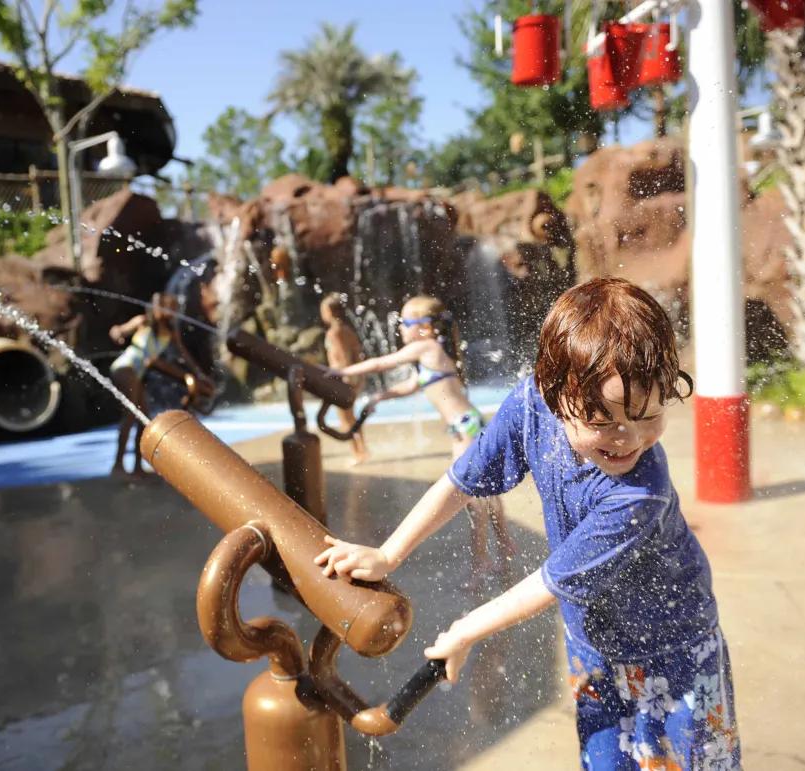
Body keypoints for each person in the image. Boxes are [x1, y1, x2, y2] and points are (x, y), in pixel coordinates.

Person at [316, 278, 740, 770]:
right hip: (593, 642)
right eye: (603, 423)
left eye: (649, 416)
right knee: (605, 762)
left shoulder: (639, 495)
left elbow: (550, 582)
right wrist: (388, 553)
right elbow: (462, 479)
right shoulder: (530, 403)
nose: (630, 439)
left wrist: (465, 630)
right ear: (556, 392)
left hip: (676, 648)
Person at [329, 294, 516, 569]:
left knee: (470, 495)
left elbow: (382, 364)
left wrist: (339, 372)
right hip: (466, 424)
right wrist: (378, 398)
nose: (400, 328)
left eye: (405, 322)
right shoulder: (431, 355)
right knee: (484, 491)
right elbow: (408, 386)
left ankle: (481, 562)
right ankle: (504, 544)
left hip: (466, 427)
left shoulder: (426, 347)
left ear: (426, 328)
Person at [108, 292, 212, 477]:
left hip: (137, 374)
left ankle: (138, 467)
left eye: (173, 307)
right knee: (131, 415)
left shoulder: (170, 332)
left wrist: (199, 374)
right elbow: (118, 330)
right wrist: (118, 334)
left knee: (143, 419)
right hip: (125, 368)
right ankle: (118, 466)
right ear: (157, 306)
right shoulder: (142, 322)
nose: (171, 311)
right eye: (167, 306)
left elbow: (185, 355)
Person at [319, 293, 369, 465]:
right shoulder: (347, 330)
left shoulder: (334, 333)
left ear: (330, 312)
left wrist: (340, 376)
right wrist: (358, 378)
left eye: (323, 310)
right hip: (351, 376)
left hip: (342, 378)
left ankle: (358, 454)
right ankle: (362, 450)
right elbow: (357, 355)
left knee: (345, 419)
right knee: (351, 418)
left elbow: (342, 358)